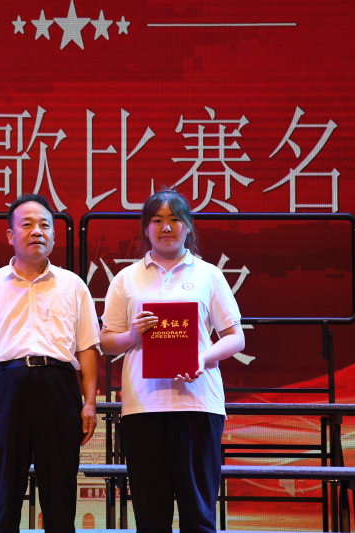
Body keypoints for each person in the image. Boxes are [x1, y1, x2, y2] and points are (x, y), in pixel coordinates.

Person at [0, 194, 100, 533]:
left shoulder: (73, 286)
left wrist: (89, 403)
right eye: (27, 224)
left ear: (54, 235)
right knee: (4, 496)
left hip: (59, 389)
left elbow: (88, 349)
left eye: (45, 225)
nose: (37, 231)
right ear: (10, 235)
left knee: (60, 496)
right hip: (6, 389)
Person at [99, 188, 245, 533]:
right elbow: (105, 342)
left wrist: (202, 357)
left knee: (199, 514)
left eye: (174, 219)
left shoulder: (208, 274)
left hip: (198, 404)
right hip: (143, 406)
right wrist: (132, 335)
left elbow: (236, 337)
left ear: (188, 227)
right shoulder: (126, 278)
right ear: (145, 229)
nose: (166, 227)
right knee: (151, 516)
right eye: (157, 220)